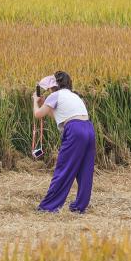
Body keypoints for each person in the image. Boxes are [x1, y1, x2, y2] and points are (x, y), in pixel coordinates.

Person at [32, 71, 96, 213]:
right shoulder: (74, 96)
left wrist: (35, 102)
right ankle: (79, 207)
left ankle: (48, 207)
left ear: (53, 85)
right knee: (85, 170)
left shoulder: (54, 96)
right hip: (88, 128)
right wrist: (45, 104)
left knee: (64, 169)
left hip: (74, 130)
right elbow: (60, 115)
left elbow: (37, 114)